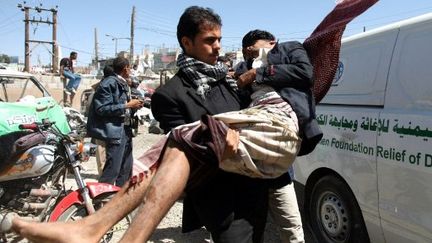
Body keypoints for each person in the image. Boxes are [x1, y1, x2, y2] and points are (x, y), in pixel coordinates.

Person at [86, 57, 144, 186]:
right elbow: (101, 109)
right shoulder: (108, 83)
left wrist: (134, 106)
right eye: (129, 68)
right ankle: (99, 199)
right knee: (113, 168)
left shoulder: (122, 82)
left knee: (126, 168)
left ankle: (118, 198)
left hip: (125, 129)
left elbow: (123, 106)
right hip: (115, 131)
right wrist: (127, 105)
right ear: (125, 69)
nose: (130, 71)